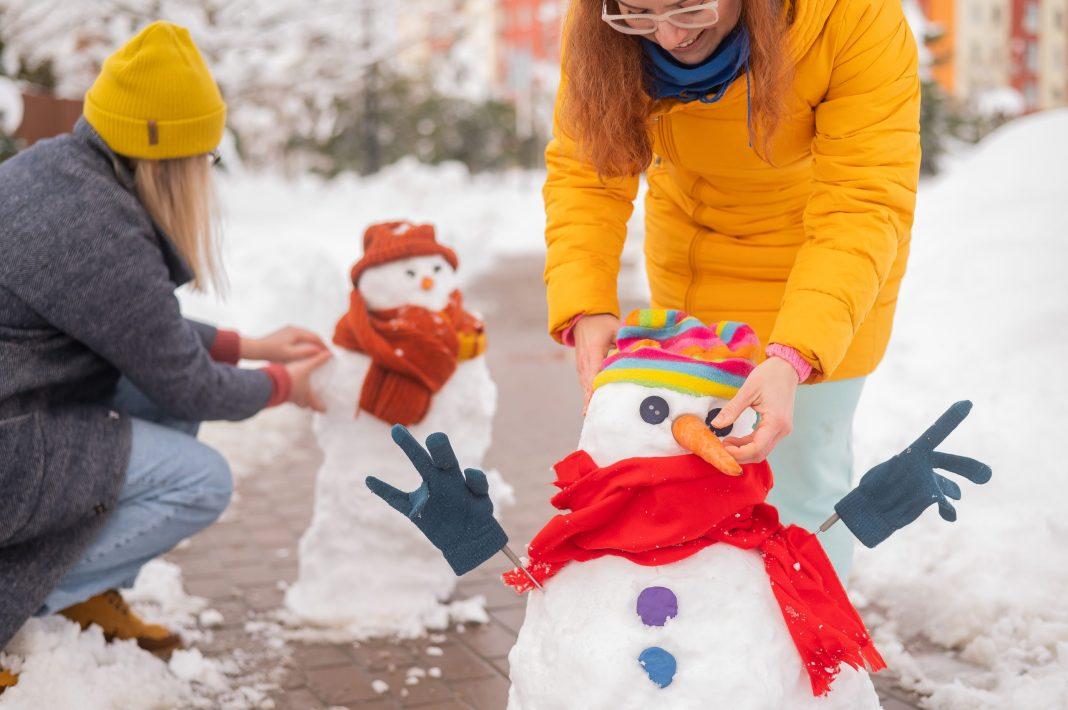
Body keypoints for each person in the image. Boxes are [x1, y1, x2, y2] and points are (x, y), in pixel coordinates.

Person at [0, 21, 330, 689]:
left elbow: (137, 328)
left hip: (19, 408)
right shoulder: (94, 225)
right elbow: (190, 387)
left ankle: (86, 594)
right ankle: (18, 600)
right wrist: (283, 384)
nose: (205, 175)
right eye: (203, 159)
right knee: (200, 481)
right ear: (169, 156)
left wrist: (252, 346)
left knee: (149, 393)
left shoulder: (63, 172)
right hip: (10, 441)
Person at [543, 0, 921, 575]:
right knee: (699, 481)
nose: (668, 36)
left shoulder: (854, 17)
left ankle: (813, 650)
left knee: (804, 482)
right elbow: (587, 168)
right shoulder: (599, 21)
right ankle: (715, 640)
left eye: (689, 8)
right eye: (639, 15)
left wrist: (796, 354)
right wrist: (586, 302)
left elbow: (861, 204)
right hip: (697, 268)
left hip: (827, 272)